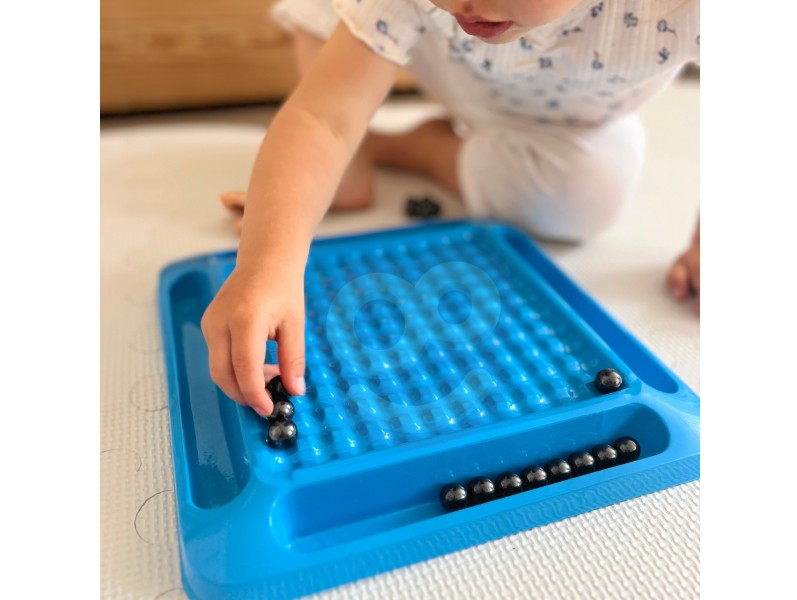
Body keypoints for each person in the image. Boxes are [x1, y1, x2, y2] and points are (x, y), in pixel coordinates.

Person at [201, 0, 701, 417]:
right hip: (437, 59)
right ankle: (356, 146)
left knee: (586, 197)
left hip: (571, 116)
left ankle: (414, 148)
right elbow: (323, 118)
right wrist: (268, 263)